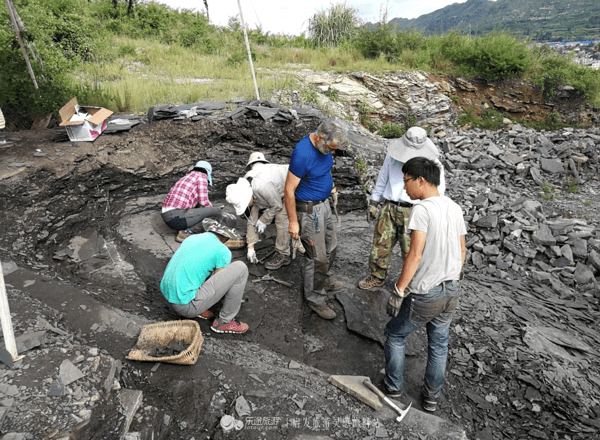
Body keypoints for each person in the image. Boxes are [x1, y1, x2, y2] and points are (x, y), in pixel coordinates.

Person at [383, 157, 466, 413]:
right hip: (451, 290)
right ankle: (431, 399)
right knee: (439, 345)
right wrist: (450, 275)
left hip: (426, 293)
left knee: (395, 335)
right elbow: (462, 249)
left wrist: (398, 291)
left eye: (406, 181)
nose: (404, 187)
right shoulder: (454, 207)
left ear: (421, 180)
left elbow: (415, 254)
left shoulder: (422, 209)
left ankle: (393, 388)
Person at [358, 127, 446, 290]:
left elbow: (438, 191)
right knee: (380, 244)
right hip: (389, 206)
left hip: (415, 210)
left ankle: (409, 284)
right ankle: (377, 276)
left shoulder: (433, 164)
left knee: (411, 250)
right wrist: (374, 202)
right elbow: (382, 179)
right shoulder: (392, 156)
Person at [284, 120, 346, 320]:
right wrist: (293, 222)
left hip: (324, 203)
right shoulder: (303, 153)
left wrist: (331, 187)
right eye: (329, 148)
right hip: (310, 211)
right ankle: (315, 299)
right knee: (316, 256)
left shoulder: (324, 144)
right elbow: (288, 190)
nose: (330, 152)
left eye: (333, 150)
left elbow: (325, 170)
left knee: (332, 246)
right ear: (320, 138)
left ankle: (323, 279)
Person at [160, 232, 249, 334]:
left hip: (169, 294)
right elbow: (219, 284)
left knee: (205, 267)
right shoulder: (222, 250)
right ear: (227, 236)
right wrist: (234, 294)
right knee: (241, 268)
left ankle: (200, 305)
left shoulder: (193, 238)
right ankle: (224, 322)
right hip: (186, 306)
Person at [226, 154, 291, 270]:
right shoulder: (246, 182)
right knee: (259, 210)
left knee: (281, 218)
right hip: (276, 192)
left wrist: (263, 220)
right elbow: (251, 218)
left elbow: (277, 205)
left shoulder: (261, 185)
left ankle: (284, 254)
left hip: (294, 185)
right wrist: (250, 247)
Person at [161, 160, 222, 243]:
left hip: (168, 216)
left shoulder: (187, 177)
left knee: (204, 210)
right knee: (217, 212)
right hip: (176, 217)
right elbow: (204, 202)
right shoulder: (202, 176)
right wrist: (213, 211)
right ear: (207, 172)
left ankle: (185, 228)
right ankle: (187, 232)